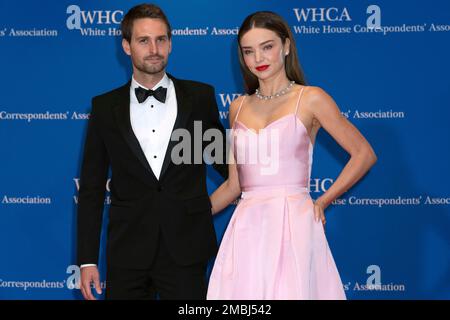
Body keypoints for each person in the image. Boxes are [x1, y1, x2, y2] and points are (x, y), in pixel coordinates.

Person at [207, 11, 377, 300]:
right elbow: (234, 185)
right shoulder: (237, 107)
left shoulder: (310, 98)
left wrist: (323, 200)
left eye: (267, 46)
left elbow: (363, 153)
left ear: (286, 46)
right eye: (249, 51)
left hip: (293, 224)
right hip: (247, 228)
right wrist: (185, 217)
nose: (258, 58)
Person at [77, 3, 227, 300]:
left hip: (187, 248)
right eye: (143, 40)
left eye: (161, 39)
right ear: (126, 46)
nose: (154, 48)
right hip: (127, 252)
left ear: (170, 43)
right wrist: (87, 259)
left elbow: (227, 164)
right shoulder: (104, 108)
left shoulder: (199, 98)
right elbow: (92, 188)